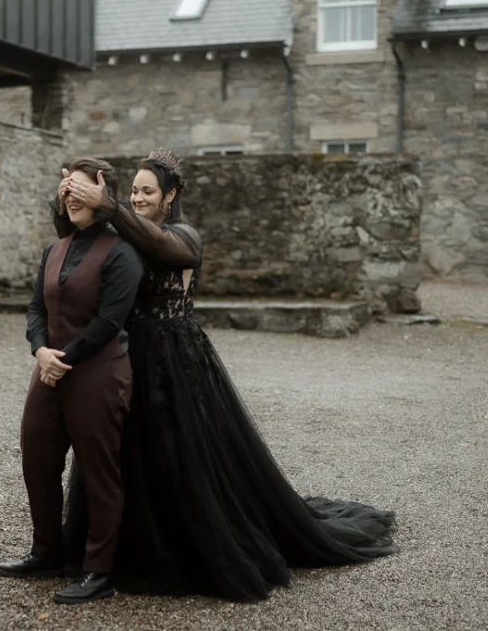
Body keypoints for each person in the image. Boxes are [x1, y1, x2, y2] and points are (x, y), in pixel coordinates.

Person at [54, 150, 397, 602]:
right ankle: (115, 551)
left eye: (147, 191)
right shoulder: (122, 231)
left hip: (172, 355)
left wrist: (111, 206)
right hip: (124, 352)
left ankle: (188, 546)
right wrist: (70, 197)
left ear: (169, 195)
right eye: (133, 190)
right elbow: (74, 244)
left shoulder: (184, 234)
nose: (137, 198)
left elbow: (167, 249)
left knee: (178, 450)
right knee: (125, 452)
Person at [0, 158, 143, 605]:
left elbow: (109, 320)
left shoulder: (122, 252)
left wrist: (64, 359)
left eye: (78, 188)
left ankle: (98, 571)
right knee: (37, 460)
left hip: (98, 374)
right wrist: (40, 351)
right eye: (65, 188)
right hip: (49, 370)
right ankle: (46, 553)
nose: (69, 196)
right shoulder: (54, 249)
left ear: (100, 193)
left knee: (99, 473)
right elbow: (35, 308)